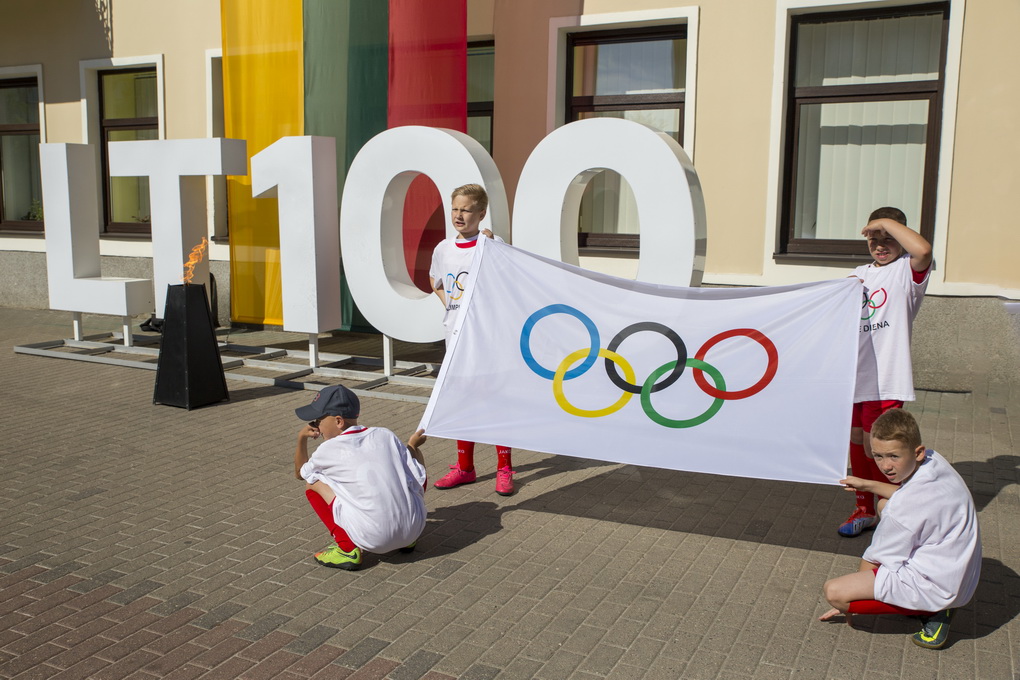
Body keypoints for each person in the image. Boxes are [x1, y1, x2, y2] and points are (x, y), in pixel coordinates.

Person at [820, 409, 981, 649]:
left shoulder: (903, 511)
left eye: (893, 456)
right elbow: (909, 498)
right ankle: (931, 603)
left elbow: (874, 559)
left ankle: (934, 610)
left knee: (835, 591)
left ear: (917, 452)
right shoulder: (934, 461)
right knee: (885, 503)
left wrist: (853, 598)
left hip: (941, 587)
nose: (885, 466)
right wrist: (867, 484)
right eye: (878, 456)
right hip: (958, 569)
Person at [838, 207, 933, 537]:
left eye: (888, 238)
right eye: (873, 240)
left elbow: (923, 250)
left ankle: (890, 508)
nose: (880, 245)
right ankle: (864, 508)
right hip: (856, 374)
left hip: (887, 377)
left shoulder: (908, 272)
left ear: (901, 236)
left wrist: (883, 223)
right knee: (854, 440)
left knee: (875, 446)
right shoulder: (861, 272)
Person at [428, 183, 516, 496]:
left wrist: (492, 246)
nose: (459, 215)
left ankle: (504, 468)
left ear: (481, 213)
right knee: (462, 400)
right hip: (455, 336)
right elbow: (435, 281)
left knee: (494, 401)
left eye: (466, 210)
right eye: (455, 209)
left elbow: (508, 281)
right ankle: (464, 468)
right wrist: (453, 308)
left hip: (487, 340)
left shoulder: (492, 244)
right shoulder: (443, 249)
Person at [294, 384, 427, 570]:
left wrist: (301, 437)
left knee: (312, 482)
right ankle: (405, 540)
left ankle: (347, 549)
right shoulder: (384, 434)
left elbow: (300, 473)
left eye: (318, 421)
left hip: (373, 539)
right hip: (414, 530)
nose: (316, 426)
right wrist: (412, 445)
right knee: (411, 466)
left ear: (338, 421)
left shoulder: (327, 450)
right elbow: (416, 475)